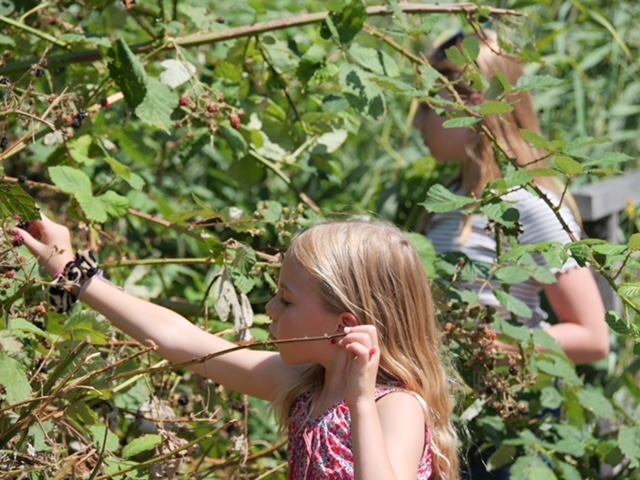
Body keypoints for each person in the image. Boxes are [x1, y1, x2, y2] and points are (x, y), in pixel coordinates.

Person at [14, 215, 460, 480]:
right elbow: (182, 340)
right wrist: (73, 271)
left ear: (343, 326)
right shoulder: (307, 384)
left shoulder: (396, 406)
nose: (269, 307)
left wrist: (361, 401)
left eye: (286, 299)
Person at [412, 30, 610, 478]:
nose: (419, 123)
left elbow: (594, 337)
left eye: (430, 106)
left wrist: (497, 345)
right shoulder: (452, 200)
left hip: (506, 426)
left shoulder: (528, 205)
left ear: (474, 105)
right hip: (456, 418)